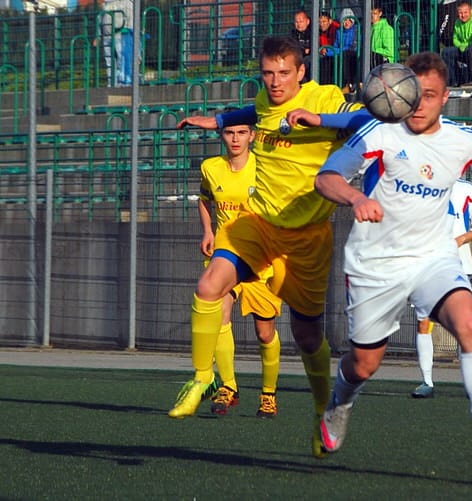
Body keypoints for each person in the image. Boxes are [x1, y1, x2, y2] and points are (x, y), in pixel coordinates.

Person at [313, 51, 472, 468]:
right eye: (412, 93)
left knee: (470, 325)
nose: (417, 103)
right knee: (364, 364)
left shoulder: (463, 142)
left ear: (445, 97)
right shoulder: (378, 134)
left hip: (434, 256)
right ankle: (340, 401)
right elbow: (326, 178)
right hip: (376, 263)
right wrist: (356, 196)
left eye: (428, 95)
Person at [175, 35, 362, 458]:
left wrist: (321, 121)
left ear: (301, 72)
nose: (275, 82)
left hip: (308, 237)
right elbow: (257, 111)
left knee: (306, 333)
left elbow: (368, 118)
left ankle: (322, 411)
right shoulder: (264, 99)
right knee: (209, 287)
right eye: (268, 73)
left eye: (284, 73)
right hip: (258, 224)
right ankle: (204, 378)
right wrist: (220, 119)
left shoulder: (326, 96)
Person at [175, 123, 283, 419]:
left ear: (251, 136)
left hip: (261, 259)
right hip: (226, 255)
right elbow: (204, 198)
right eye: (229, 133)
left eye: (241, 133)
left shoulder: (265, 167)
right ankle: (229, 386)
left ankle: (268, 394)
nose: (235, 139)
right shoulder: (211, 167)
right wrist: (208, 230)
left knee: (264, 333)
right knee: (220, 313)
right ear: (222, 136)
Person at [411, 178, 472, 399]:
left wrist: (460, 239)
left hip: (458, 265)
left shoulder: (464, 188)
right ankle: (426, 381)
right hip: (426, 266)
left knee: (466, 325)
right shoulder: (418, 185)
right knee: (424, 323)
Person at [440, 0, 472, 86]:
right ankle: (454, 80)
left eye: (465, 12)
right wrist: (460, 45)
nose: (463, 15)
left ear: (471, 11)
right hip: (462, 47)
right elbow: (455, 38)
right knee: (446, 52)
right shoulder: (457, 22)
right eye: (460, 13)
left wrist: (467, 45)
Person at [96, 0, 134, 87]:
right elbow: (99, 19)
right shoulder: (105, 4)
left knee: (122, 58)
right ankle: (112, 82)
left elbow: (131, 18)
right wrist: (98, 35)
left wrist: (128, 31)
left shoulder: (126, 2)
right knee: (109, 60)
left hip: (120, 34)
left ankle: (123, 81)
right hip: (107, 35)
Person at [323, 14, 360, 94]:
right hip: (342, 52)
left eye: (349, 20)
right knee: (326, 58)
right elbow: (336, 46)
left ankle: (349, 84)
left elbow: (353, 47)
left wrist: (333, 51)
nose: (346, 23)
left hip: (353, 54)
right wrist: (329, 51)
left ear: (352, 21)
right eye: (344, 20)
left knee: (345, 55)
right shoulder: (339, 31)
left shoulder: (356, 30)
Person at [318, 11, 340, 84]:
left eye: (324, 21)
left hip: (335, 55)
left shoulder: (336, 28)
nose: (321, 24)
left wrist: (327, 50)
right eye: (319, 22)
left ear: (330, 21)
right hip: (325, 55)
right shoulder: (317, 31)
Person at [291, 10, 313, 82]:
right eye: (296, 22)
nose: (299, 24)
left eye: (301, 21)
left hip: (309, 58)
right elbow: (294, 46)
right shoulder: (293, 34)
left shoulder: (312, 32)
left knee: (306, 61)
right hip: (299, 57)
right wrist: (304, 51)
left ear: (307, 22)